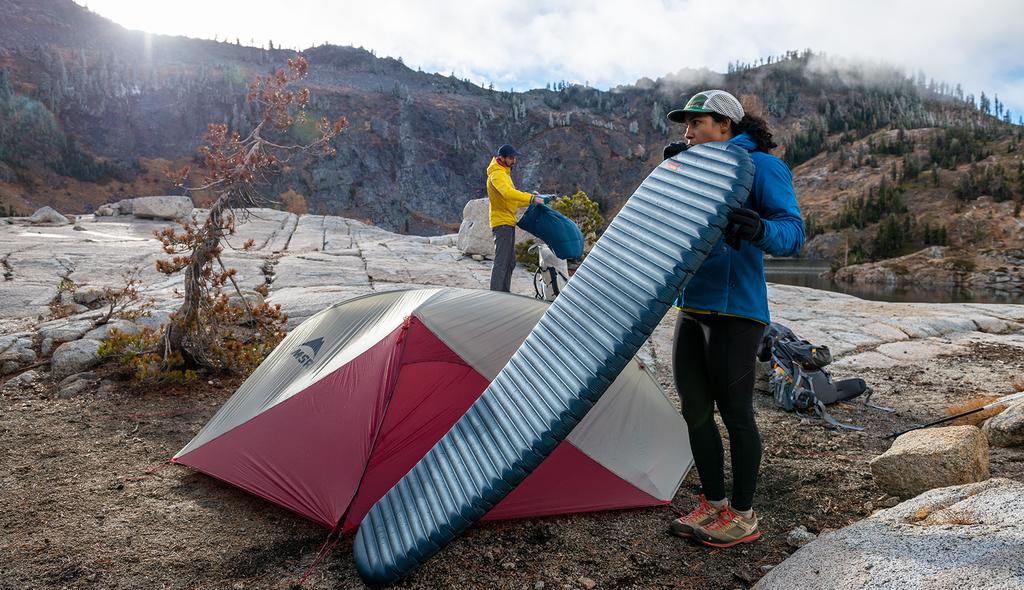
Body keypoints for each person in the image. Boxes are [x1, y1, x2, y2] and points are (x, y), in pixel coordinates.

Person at [663, 90, 804, 548]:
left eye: (696, 123)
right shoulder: (694, 168)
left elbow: (793, 232)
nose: (687, 132)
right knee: (695, 412)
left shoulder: (761, 167)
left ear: (725, 125)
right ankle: (713, 502)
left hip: (737, 311)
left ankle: (743, 515)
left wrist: (761, 229)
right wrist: (672, 179)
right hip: (693, 307)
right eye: (684, 125)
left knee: (737, 416)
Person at [486, 144, 546, 292]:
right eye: (511, 158)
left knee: (510, 261)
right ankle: (496, 294)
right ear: (502, 158)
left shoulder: (504, 174)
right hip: (502, 223)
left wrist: (534, 199)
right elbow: (507, 193)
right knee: (502, 261)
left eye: (515, 158)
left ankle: (504, 292)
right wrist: (532, 198)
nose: (514, 161)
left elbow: (513, 200)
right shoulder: (497, 174)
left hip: (508, 221)